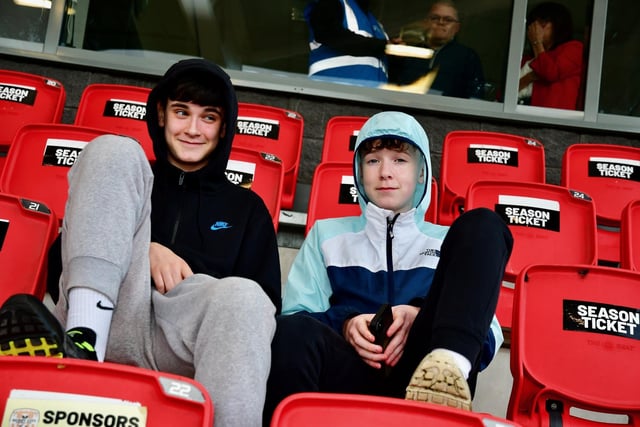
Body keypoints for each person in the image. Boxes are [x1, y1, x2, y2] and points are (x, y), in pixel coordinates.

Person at [0, 58, 280, 427]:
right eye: (182, 112)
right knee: (113, 150)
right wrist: (144, 249)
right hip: (111, 313)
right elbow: (59, 270)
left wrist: (187, 277)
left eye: (208, 117)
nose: (193, 129)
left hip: (185, 341)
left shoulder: (248, 208)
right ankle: (82, 343)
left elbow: (263, 311)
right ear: (161, 114)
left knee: (245, 297)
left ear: (224, 127)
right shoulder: (126, 174)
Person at [263, 111, 513, 424]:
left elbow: (486, 332)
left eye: (399, 160)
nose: (385, 172)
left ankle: (446, 367)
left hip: (420, 370)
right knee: (292, 332)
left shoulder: (453, 243)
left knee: (484, 224)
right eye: (372, 161)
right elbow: (294, 321)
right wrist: (347, 323)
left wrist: (418, 316)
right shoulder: (326, 235)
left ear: (422, 172)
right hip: (348, 372)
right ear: (358, 171)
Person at [388, 1, 485, 98]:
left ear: (456, 27)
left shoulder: (467, 57)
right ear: (426, 23)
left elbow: (474, 96)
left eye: (448, 20)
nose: (441, 22)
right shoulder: (410, 51)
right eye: (435, 18)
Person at [305, 0, 390, 86]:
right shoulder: (333, 3)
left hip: (371, 95)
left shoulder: (377, 26)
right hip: (333, 90)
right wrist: (384, 46)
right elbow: (328, 33)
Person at [518, 2, 584, 110]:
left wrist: (537, 43)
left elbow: (550, 73)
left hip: (555, 120)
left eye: (542, 23)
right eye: (533, 24)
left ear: (558, 25)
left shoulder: (574, 49)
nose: (536, 29)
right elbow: (505, 95)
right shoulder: (526, 60)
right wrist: (529, 77)